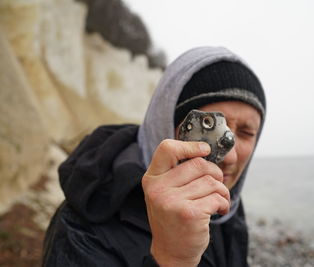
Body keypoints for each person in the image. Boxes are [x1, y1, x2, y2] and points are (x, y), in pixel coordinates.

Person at [42, 46, 266, 267]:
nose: (230, 157)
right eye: (210, 129)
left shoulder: (229, 210)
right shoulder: (83, 224)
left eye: (246, 133)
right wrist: (172, 259)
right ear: (165, 125)